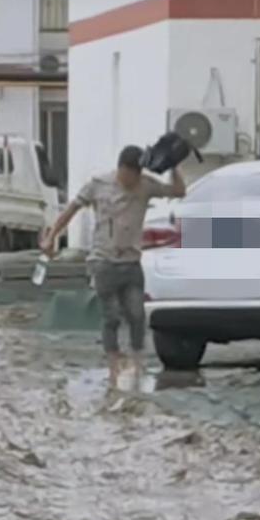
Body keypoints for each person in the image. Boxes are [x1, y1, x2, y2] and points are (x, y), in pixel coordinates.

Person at [40, 145, 186, 387]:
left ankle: (137, 364)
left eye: (136, 176)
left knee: (137, 315)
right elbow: (71, 209)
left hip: (131, 262)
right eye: (129, 176)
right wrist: (52, 235)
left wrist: (173, 165)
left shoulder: (146, 185)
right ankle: (113, 369)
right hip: (103, 261)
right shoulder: (99, 185)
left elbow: (179, 191)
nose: (132, 181)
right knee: (111, 317)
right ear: (120, 169)